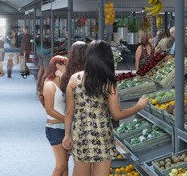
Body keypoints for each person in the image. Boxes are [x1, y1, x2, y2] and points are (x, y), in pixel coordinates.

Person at [62, 41, 148, 175]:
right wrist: (138, 106)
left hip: (81, 135)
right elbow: (117, 115)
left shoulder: (74, 79)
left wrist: (67, 135)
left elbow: (69, 112)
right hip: (102, 137)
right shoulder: (109, 84)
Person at [42, 55, 69, 176]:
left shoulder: (62, 83)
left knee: (66, 164)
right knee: (61, 165)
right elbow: (49, 110)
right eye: (65, 65)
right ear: (58, 66)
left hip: (65, 128)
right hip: (55, 129)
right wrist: (67, 119)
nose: (68, 67)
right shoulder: (49, 85)